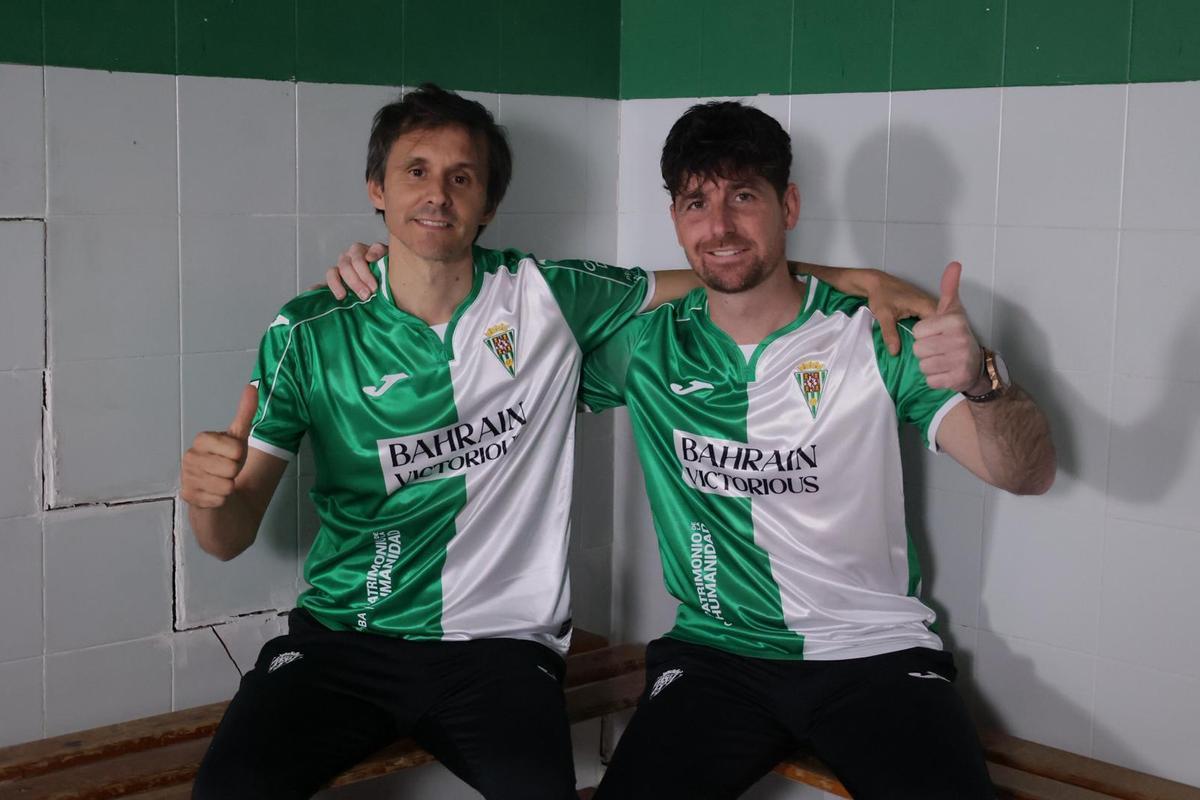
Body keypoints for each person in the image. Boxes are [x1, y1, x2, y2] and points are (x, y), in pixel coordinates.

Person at [180, 85, 920, 799]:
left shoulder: (548, 297)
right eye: (416, 172)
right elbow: (226, 539)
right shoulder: (308, 329)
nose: (437, 195)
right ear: (378, 188)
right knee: (229, 788)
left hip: (500, 648)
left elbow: (722, 272)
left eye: (461, 177)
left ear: (488, 203)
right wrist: (210, 502)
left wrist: (856, 279)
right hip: (344, 638)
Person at [574, 101, 1056, 799]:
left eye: (744, 196)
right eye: (697, 202)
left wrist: (982, 382)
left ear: (789, 205)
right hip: (716, 654)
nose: (719, 225)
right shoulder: (646, 346)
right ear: (676, 218)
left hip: (873, 654)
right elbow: (505, 370)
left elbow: (1026, 474)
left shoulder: (876, 335)